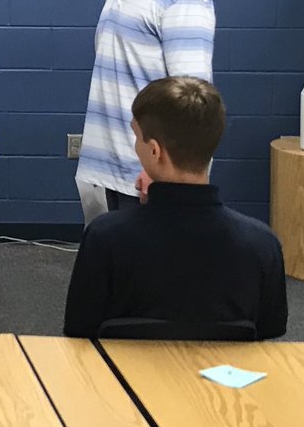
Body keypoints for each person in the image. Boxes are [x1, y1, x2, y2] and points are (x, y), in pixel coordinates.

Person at [63, 77, 287, 339]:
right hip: (220, 379)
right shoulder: (262, 244)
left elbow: (78, 333)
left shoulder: (104, 237)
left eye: (136, 137)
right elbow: (270, 337)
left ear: (155, 151)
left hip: (123, 378)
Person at [75, 0, 215, 222]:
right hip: (102, 169)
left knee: (150, 277)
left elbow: (193, 102)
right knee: (110, 274)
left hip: (146, 179)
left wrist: (160, 173)